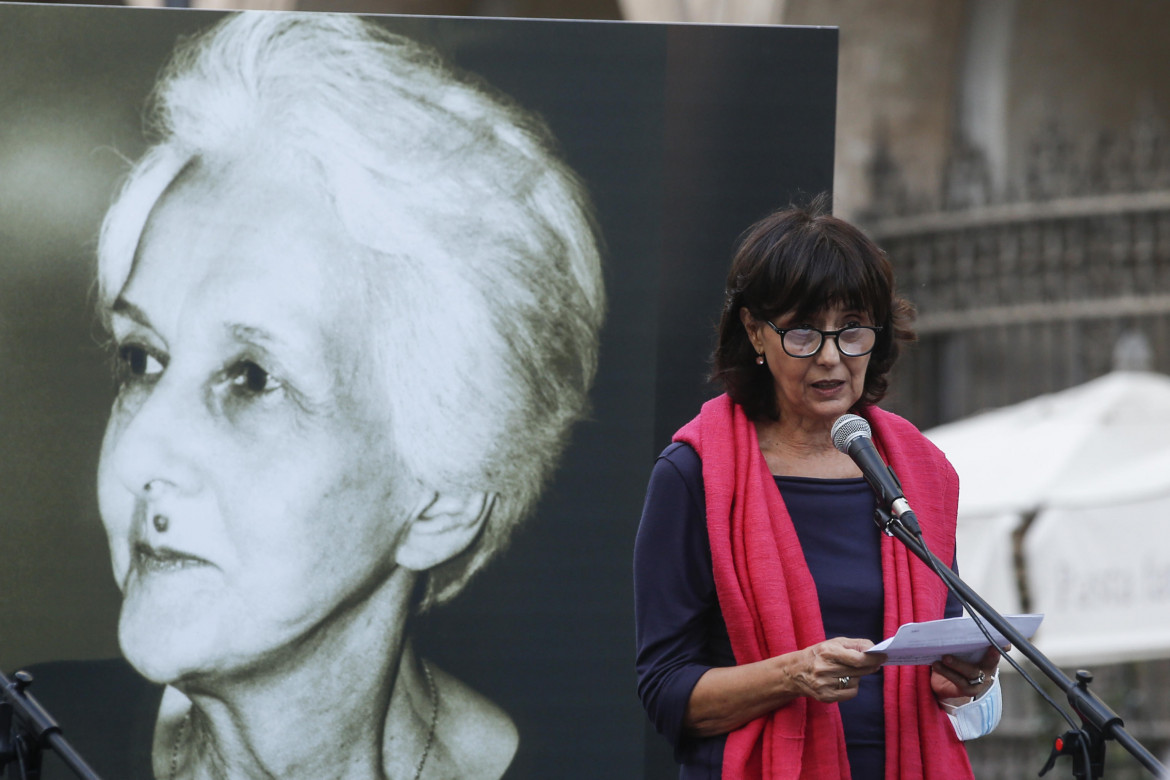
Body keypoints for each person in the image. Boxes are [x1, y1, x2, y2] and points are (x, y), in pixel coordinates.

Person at [35, 11, 603, 780]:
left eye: (254, 378)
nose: (137, 455)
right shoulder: (32, 738)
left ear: (439, 501)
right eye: (143, 359)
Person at [634, 200, 1001, 779]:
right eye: (803, 332)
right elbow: (666, 691)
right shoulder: (692, 474)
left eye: (852, 331)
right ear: (755, 332)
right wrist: (792, 674)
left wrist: (968, 677)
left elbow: (944, 664)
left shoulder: (922, 472)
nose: (831, 357)